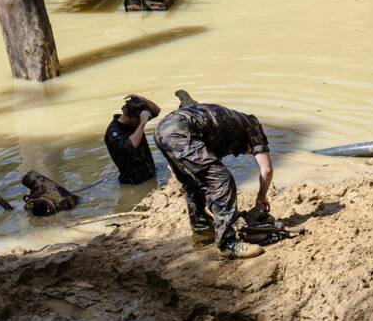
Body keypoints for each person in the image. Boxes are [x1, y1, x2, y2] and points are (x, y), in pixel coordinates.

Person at [154, 102, 273, 259]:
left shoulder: (230, 124)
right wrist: (261, 196)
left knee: (192, 181)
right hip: (180, 132)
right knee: (222, 179)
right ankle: (227, 244)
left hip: (162, 129)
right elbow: (267, 169)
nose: (247, 154)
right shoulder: (253, 128)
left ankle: (202, 230)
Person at [104, 95, 159, 185]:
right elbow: (130, 146)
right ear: (130, 117)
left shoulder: (133, 124)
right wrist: (142, 123)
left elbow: (156, 111)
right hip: (133, 183)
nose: (143, 123)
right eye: (139, 120)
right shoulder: (113, 132)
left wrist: (141, 100)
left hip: (150, 176)